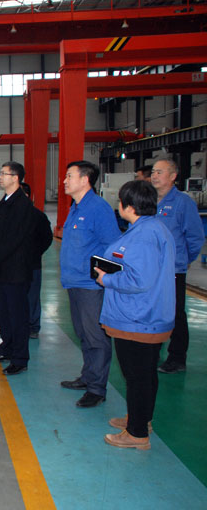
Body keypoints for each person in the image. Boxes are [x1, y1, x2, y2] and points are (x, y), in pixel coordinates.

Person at [95, 180, 175, 450]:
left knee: (137, 376)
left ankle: (137, 434)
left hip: (137, 318)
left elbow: (140, 279)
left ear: (128, 205)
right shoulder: (151, 228)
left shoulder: (143, 236)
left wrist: (107, 279)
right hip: (147, 316)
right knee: (145, 373)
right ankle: (141, 419)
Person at [58, 160, 120, 407]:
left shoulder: (98, 208)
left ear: (85, 180)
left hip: (90, 285)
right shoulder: (76, 207)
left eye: (69, 176)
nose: (64, 181)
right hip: (74, 281)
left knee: (95, 337)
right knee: (83, 333)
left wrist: (97, 273)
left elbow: (111, 246)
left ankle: (96, 388)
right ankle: (88, 376)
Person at [150, 159, 205, 374]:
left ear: (173, 176)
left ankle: (177, 357)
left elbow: (195, 236)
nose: (154, 175)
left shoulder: (183, 203)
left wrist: (184, 259)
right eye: (153, 171)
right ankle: (153, 350)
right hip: (151, 268)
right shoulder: (150, 201)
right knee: (153, 311)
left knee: (175, 313)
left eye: (160, 172)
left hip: (172, 270)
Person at [0, 162, 36, 375]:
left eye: (4, 174)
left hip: (16, 270)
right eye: (0, 173)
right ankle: (6, 349)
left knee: (17, 315)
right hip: (3, 269)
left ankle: (20, 358)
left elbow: (15, 238)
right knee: (4, 313)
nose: (0, 177)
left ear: (16, 178)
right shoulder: (5, 201)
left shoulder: (22, 204)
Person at [21, 182, 53, 339]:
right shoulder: (7, 215)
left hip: (32, 264)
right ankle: (13, 325)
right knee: (13, 297)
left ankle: (33, 326)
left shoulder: (38, 216)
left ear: (26, 196)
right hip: (11, 265)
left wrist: (34, 253)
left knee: (32, 296)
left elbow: (47, 238)